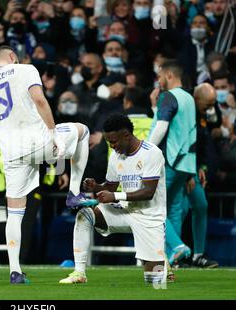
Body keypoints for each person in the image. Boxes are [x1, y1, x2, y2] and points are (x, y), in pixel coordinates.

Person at [0, 45, 91, 284]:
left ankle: (15, 271)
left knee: (14, 213)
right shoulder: (25, 69)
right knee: (83, 132)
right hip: (39, 141)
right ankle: (74, 192)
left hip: (11, 154)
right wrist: (52, 132)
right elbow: (40, 100)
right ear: (13, 57)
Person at [59, 113, 166, 285]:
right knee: (85, 215)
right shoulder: (116, 155)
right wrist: (96, 187)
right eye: (109, 142)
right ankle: (79, 273)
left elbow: (148, 192)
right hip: (124, 211)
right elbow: (110, 188)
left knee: (155, 282)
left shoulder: (151, 153)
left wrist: (114, 196)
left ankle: (161, 260)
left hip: (149, 216)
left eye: (114, 141)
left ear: (126, 135)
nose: (112, 145)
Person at [148, 60, 197, 265]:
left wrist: (146, 149)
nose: (158, 81)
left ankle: (177, 247)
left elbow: (161, 127)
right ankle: (172, 259)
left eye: (160, 76)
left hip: (170, 160)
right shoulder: (189, 98)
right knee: (175, 208)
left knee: (152, 207)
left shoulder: (168, 96)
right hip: (187, 162)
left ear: (169, 75)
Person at [183, 83, 219, 268]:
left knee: (200, 205)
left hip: (192, 167)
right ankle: (172, 255)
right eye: (208, 104)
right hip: (178, 166)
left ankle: (198, 254)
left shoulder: (201, 115)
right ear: (196, 99)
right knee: (177, 211)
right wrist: (189, 172)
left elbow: (202, 143)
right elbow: (183, 143)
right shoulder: (185, 114)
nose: (211, 108)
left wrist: (201, 167)